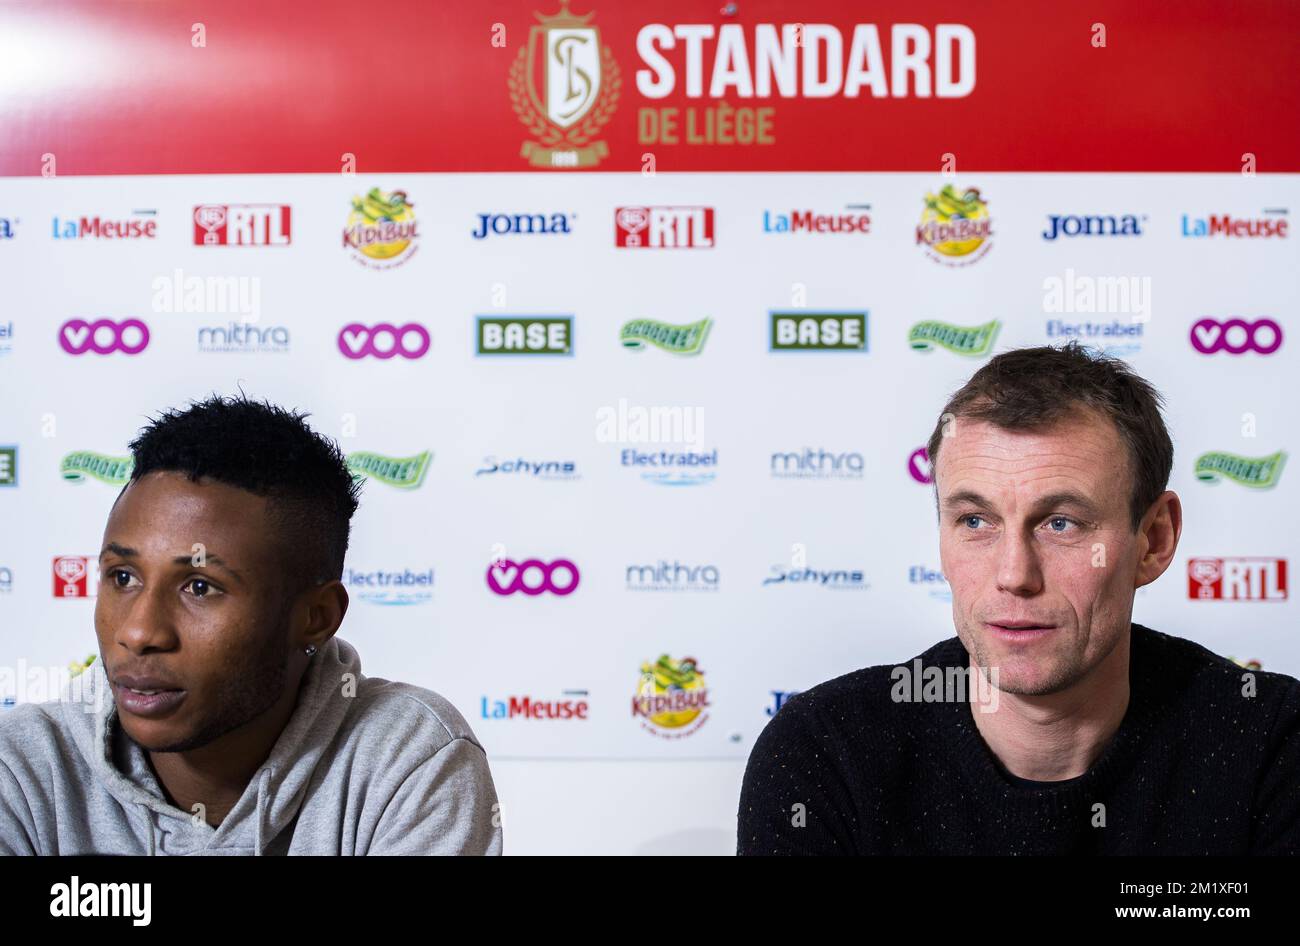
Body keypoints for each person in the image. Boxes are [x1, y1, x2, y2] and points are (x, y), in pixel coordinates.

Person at [738, 341, 1300, 855]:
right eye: (975, 520)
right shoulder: (827, 750)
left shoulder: (1271, 741)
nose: (1014, 575)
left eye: (1061, 523)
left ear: (1153, 541)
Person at [0, 393, 501, 855]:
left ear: (316, 617)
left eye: (199, 586)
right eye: (123, 576)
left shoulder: (407, 759)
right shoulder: (20, 769)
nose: (139, 632)